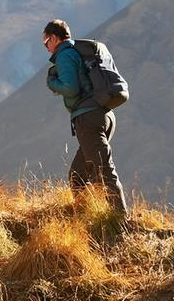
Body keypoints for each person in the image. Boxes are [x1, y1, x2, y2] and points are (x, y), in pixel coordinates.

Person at [43, 19, 127, 214]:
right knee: (78, 176)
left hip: (88, 120)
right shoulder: (79, 53)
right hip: (103, 115)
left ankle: (121, 222)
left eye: (46, 42)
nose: (46, 48)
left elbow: (71, 89)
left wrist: (52, 82)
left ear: (54, 38)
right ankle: (88, 219)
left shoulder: (65, 56)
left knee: (105, 173)